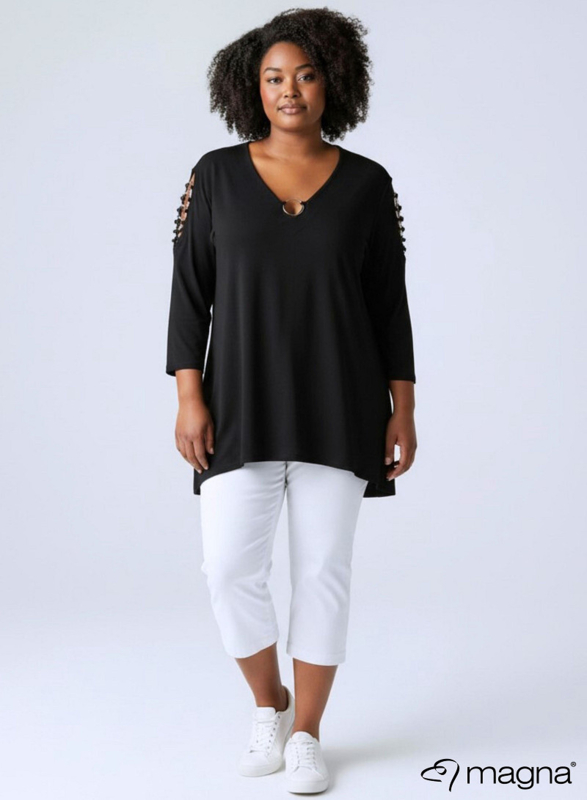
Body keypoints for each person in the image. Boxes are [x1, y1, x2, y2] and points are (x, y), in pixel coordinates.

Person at [165, 8, 417, 794]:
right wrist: (189, 395)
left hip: (341, 404)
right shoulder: (214, 176)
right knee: (226, 569)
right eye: (273, 77)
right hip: (237, 403)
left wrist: (402, 408)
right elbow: (189, 294)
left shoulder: (368, 184)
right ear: (251, 88)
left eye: (305, 75)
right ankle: (268, 704)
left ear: (331, 82)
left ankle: (306, 732)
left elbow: (388, 306)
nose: (289, 90)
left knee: (322, 574)